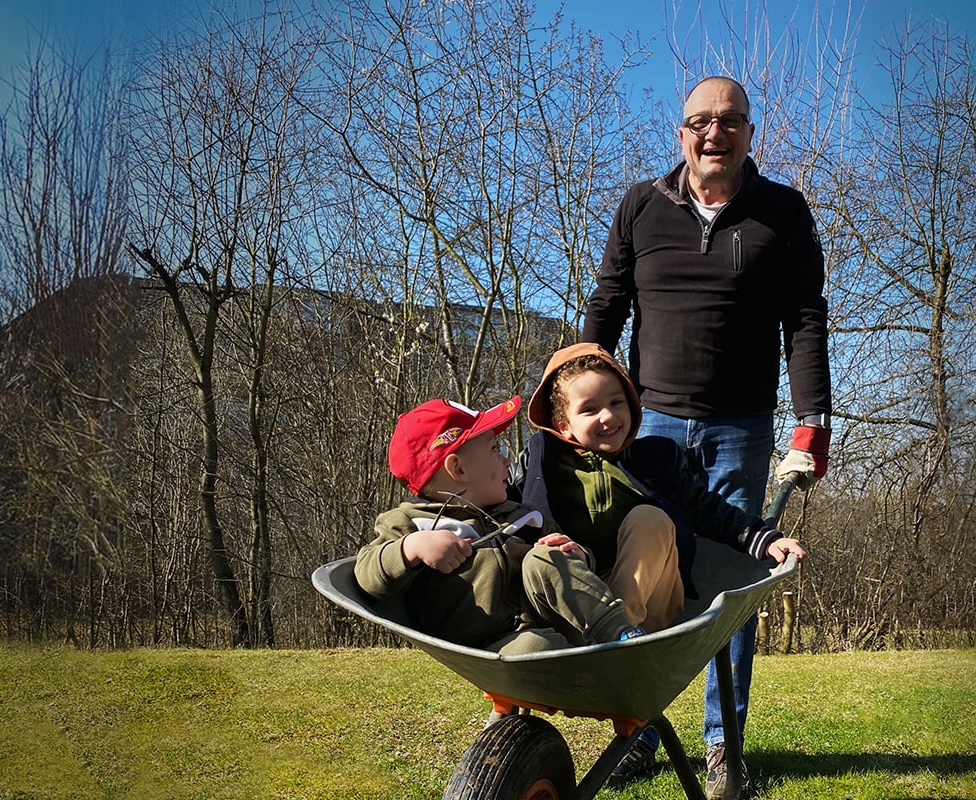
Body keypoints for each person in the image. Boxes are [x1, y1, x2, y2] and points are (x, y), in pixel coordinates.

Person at [581, 75, 833, 798]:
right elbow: (608, 303)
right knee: (642, 574)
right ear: (680, 134)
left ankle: (724, 748)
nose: (713, 133)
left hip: (740, 428)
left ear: (750, 132)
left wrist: (811, 419)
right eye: (700, 121)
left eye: (729, 121)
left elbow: (805, 319)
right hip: (646, 426)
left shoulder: (783, 213)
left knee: (730, 588)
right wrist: (572, 395)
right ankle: (638, 730)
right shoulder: (641, 206)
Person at [519, 342, 806, 787]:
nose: (608, 416)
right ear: (564, 424)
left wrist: (763, 539)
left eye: (617, 402)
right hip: (583, 601)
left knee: (649, 518)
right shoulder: (545, 462)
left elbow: (710, 509)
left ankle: (624, 645)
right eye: (590, 408)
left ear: (633, 406)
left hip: (650, 597)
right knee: (543, 554)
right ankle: (601, 637)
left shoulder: (655, 459)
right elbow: (516, 513)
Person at [354, 395, 645, 655]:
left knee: (546, 556)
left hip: (553, 619)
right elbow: (366, 573)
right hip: (491, 644)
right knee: (537, 648)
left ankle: (622, 636)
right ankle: (587, 668)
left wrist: (579, 554)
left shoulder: (521, 514)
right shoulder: (412, 523)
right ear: (458, 469)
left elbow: (576, 559)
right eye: (495, 449)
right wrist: (410, 548)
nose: (507, 461)